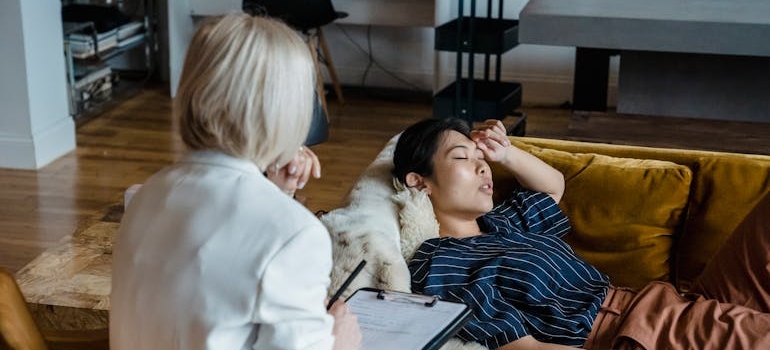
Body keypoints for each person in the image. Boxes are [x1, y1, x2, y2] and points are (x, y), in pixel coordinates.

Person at [392, 118, 770, 350]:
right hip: (636, 331)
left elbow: (552, 187)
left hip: (674, 301)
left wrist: (505, 153)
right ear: (418, 181)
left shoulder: (502, 224)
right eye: (463, 158)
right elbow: (522, 347)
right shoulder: (442, 262)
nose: (482, 170)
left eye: (482, 161)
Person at [110, 14, 361, 350]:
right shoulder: (295, 234)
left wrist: (276, 195)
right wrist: (339, 343)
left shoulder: (145, 195)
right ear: (291, 109)